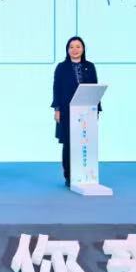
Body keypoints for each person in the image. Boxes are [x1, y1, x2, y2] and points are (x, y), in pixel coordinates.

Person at [51, 36, 100, 187]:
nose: (75, 50)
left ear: (83, 49)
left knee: (85, 142)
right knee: (68, 143)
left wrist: (96, 110)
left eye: (78, 46)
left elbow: (95, 88)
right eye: (71, 47)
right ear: (67, 50)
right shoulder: (61, 67)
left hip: (86, 111)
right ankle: (69, 175)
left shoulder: (90, 66)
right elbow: (56, 89)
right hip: (67, 111)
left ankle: (85, 174)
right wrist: (57, 109)